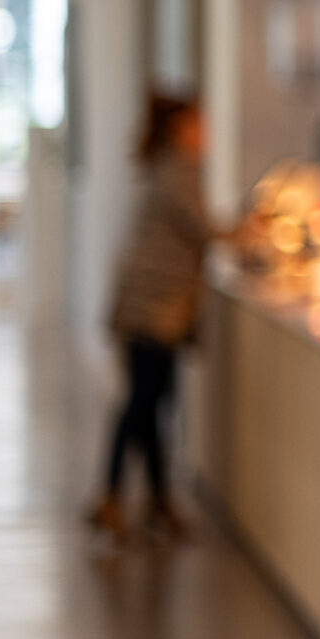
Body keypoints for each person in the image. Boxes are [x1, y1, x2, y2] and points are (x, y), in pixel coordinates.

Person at [88, 93, 215, 541]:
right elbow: (206, 231)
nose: (207, 133)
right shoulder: (179, 171)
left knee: (155, 400)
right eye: (200, 124)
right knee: (143, 402)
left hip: (151, 305)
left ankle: (159, 499)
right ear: (182, 128)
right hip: (154, 308)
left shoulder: (168, 166)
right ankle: (110, 494)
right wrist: (254, 228)